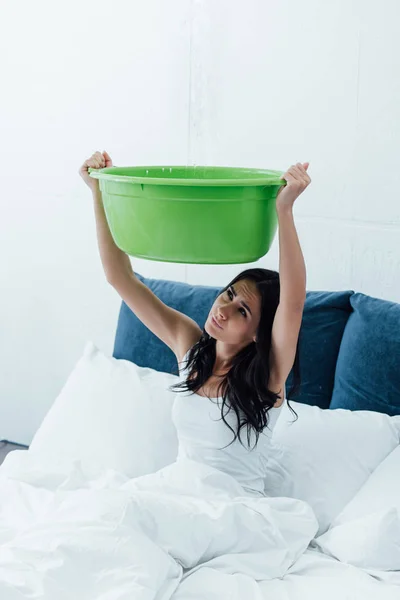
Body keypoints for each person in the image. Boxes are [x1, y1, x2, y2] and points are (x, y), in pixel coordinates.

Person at [79, 151, 311, 497]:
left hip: (234, 511)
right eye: (229, 294)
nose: (224, 308)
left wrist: (284, 209)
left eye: (243, 311)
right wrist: (98, 191)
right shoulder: (190, 347)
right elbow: (120, 278)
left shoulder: (269, 377)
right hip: (176, 493)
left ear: (258, 335)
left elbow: (292, 304)